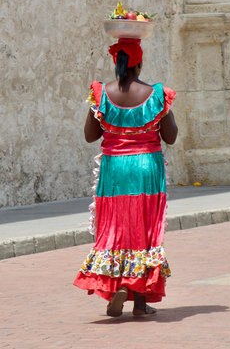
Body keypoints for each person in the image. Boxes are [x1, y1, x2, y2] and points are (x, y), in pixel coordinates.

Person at [73, 38, 178, 317]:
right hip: (147, 169)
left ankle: (118, 285)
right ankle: (141, 303)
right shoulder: (157, 94)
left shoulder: (101, 93)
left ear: (115, 62)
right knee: (145, 231)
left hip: (115, 170)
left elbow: (90, 136)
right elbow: (171, 136)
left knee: (116, 230)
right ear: (140, 63)